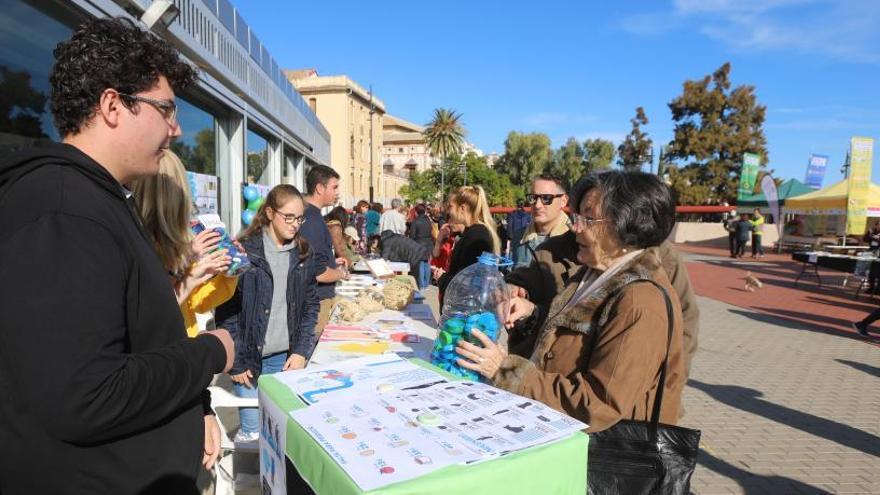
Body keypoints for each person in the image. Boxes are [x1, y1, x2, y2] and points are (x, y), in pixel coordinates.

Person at [0, 18, 234, 493]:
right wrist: (212, 352)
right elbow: (86, 395)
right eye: (166, 110)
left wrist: (198, 407)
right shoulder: (65, 209)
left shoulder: (98, 200)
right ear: (111, 105)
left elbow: (144, 338)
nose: (175, 130)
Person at [455, 170, 685, 434]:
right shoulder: (593, 273)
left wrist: (505, 369)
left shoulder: (639, 300)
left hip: (600, 456)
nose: (575, 226)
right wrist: (532, 315)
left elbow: (599, 404)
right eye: (578, 216)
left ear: (625, 225)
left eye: (588, 218)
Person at [216, 184, 318, 442]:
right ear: (271, 213)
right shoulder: (245, 252)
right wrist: (236, 360)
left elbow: (310, 306)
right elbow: (227, 310)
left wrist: (301, 352)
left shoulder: (303, 253)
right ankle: (249, 483)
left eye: (299, 218)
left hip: (287, 361)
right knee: (251, 436)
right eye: (289, 217)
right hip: (249, 362)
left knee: (280, 439)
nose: (295, 224)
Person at [131, 149, 238, 338]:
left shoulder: (182, 239)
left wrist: (228, 269)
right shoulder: (133, 241)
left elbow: (198, 302)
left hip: (180, 345)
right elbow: (144, 315)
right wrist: (185, 266)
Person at [298, 165, 348, 340]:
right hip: (316, 302)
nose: (338, 193)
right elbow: (318, 273)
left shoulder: (310, 215)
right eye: (334, 187)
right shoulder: (312, 220)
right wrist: (341, 274)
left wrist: (333, 263)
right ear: (319, 188)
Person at [434, 186, 500, 305]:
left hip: (465, 313)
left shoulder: (476, 236)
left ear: (462, 208)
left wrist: (442, 278)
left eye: (451, 207)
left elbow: (466, 283)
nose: (449, 212)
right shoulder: (472, 233)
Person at [512, 173, 571, 269]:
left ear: (563, 201)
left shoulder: (577, 240)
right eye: (533, 198)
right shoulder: (519, 237)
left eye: (546, 198)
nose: (537, 205)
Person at [408, 203, 435, 288]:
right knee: (427, 263)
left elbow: (412, 235)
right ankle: (427, 283)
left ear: (416, 212)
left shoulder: (415, 221)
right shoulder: (429, 220)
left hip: (419, 244)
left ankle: (422, 284)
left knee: (420, 264)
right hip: (429, 243)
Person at [506, 199, 531, 264]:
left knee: (512, 255)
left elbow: (509, 226)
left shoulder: (512, 214)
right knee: (523, 255)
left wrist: (510, 237)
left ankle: (510, 268)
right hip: (524, 238)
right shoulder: (527, 215)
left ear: (517, 204)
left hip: (514, 236)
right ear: (523, 205)